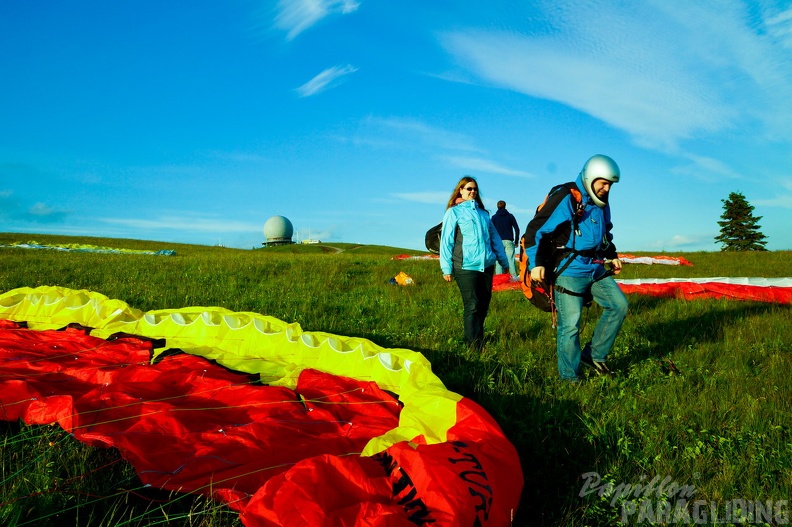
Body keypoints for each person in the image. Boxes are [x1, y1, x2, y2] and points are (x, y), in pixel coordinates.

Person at [526, 154, 629, 381]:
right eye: (603, 182)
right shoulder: (567, 197)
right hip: (569, 269)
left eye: (610, 184)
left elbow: (605, 233)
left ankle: (594, 355)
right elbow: (535, 229)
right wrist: (536, 264)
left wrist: (612, 255)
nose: (606, 188)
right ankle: (569, 378)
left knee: (619, 305)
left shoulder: (602, 204)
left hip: (594, 267)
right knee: (570, 325)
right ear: (590, 177)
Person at [440, 176, 510, 352]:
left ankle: (479, 337)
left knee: (484, 304)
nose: (472, 191)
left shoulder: (484, 214)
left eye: (474, 189)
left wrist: (503, 260)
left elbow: (495, 239)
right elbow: (446, 241)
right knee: (472, 305)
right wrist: (446, 268)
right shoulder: (454, 213)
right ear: (461, 191)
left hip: (486, 265)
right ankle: (473, 346)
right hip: (465, 266)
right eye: (468, 188)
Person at [491, 200, 520, 279]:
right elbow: (517, 229)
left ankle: (499, 279)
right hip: (509, 240)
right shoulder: (510, 216)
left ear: (497, 206)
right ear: (505, 206)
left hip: (497, 242)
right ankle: (514, 278)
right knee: (511, 259)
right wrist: (517, 241)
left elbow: (490, 230)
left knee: (498, 260)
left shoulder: (494, 217)